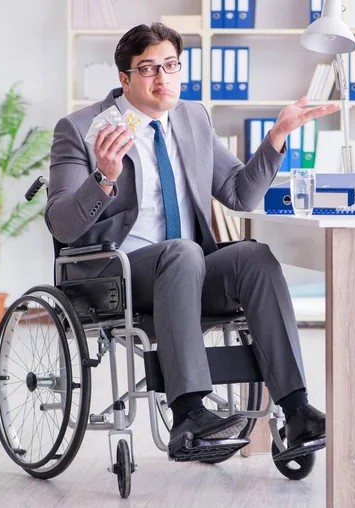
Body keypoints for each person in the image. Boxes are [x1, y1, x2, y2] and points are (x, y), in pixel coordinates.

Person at [46, 22, 339, 448]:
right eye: (148, 69)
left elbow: (239, 193)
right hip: (117, 275)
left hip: (189, 271)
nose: (163, 78)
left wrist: (276, 138)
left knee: (253, 256)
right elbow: (63, 224)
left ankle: (296, 410)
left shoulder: (192, 117)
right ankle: (188, 413)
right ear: (124, 79)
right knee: (182, 253)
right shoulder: (80, 129)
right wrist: (103, 178)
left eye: (170, 65)